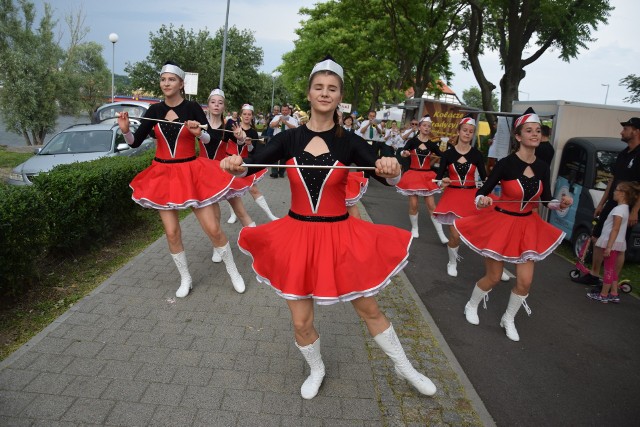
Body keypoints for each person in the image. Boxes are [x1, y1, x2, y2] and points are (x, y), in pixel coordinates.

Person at [220, 56, 436, 400]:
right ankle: (316, 368)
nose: (325, 93)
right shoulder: (289, 138)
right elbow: (252, 163)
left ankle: (404, 366)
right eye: (319, 87)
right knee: (301, 321)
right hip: (296, 237)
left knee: (369, 308)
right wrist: (234, 165)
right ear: (308, 93)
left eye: (331, 88)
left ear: (339, 96)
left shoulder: (349, 141)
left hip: (340, 236)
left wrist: (392, 168)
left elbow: (384, 176)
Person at [117, 62, 246, 296]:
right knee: (172, 232)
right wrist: (126, 130)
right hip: (163, 175)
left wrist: (200, 133)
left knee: (213, 229)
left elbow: (210, 140)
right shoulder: (154, 110)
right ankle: (185, 278)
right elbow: (135, 141)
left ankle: (233, 271)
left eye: (171, 79)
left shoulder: (192, 107)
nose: (166, 83)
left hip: (191, 173)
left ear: (181, 84)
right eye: (163, 79)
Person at [454, 108, 573, 341]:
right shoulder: (506, 163)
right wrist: (483, 199)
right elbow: (481, 192)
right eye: (529, 130)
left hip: (528, 226)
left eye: (538, 131)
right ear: (518, 137)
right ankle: (472, 304)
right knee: (494, 277)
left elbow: (546, 199)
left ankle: (508, 318)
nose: (535, 134)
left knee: (525, 281)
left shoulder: (542, 166)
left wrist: (561, 204)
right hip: (501, 224)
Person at [574, 117, 640, 286]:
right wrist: (602, 203)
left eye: (626, 128)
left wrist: (635, 211)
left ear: (636, 131)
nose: (622, 131)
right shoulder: (624, 153)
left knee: (619, 245)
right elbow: (612, 179)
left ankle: (611, 282)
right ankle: (594, 275)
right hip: (612, 202)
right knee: (597, 237)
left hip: (628, 206)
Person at [434, 115, 488, 277]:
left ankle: (495, 268)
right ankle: (452, 261)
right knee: (455, 235)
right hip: (453, 197)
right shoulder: (448, 154)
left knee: (482, 235)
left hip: (471, 197)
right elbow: (438, 178)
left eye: (471, 132)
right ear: (458, 131)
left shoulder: (477, 155)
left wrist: (484, 191)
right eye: (464, 130)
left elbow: (485, 178)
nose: (467, 134)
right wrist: (441, 182)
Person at [200, 88, 256, 237]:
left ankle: (258, 241)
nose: (216, 105)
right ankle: (218, 246)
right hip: (204, 173)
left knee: (240, 211)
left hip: (222, 171)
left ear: (224, 107)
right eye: (213, 102)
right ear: (208, 105)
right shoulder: (200, 124)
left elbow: (239, 141)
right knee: (212, 212)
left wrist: (241, 137)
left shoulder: (228, 126)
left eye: (220, 103)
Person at [396, 115, 449, 244]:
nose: (427, 128)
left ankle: (441, 235)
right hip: (413, 175)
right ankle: (415, 228)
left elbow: (443, 155)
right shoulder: (412, 141)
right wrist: (405, 153)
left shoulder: (432, 144)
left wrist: (447, 147)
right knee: (414, 205)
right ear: (419, 127)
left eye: (429, 126)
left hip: (427, 176)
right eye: (424, 125)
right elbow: (403, 151)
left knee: (432, 205)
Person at [587, 181, 639, 303]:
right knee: (613, 270)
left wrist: (609, 247)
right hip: (618, 243)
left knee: (608, 269)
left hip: (611, 243)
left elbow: (615, 229)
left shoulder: (618, 210)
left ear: (623, 194)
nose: (614, 192)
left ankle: (603, 294)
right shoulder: (625, 209)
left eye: (616, 190)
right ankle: (614, 293)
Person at [226, 103, 279, 222]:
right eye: (244, 114)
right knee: (231, 190)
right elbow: (229, 141)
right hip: (231, 161)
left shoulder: (254, 133)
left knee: (254, 189)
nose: (246, 116)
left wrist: (249, 145)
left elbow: (253, 151)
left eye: (249, 114)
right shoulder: (234, 127)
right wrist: (240, 138)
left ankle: (270, 215)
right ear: (240, 115)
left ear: (252, 116)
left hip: (244, 165)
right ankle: (233, 214)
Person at [269, 104, 298, 177]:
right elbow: (271, 125)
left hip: (287, 140)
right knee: (274, 155)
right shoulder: (277, 117)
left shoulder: (292, 119)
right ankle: (274, 172)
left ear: (288, 111)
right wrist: (279, 120)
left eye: (286, 110)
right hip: (277, 138)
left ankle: (281, 172)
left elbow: (295, 128)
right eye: (283, 110)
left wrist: (285, 122)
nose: (284, 112)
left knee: (284, 157)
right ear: (281, 110)